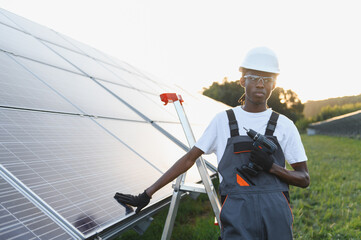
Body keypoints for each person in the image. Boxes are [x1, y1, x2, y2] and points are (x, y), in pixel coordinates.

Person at [114, 47, 310, 240]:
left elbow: (304, 178)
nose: (261, 84)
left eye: (267, 79)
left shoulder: (285, 125)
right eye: (254, 78)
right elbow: (189, 159)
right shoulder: (223, 121)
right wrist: (147, 194)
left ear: (274, 84)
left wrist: (272, 168)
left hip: (276, 216)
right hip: (237, 216)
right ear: (242, 80)